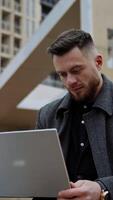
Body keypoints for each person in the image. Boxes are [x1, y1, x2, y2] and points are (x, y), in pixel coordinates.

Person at [35, 29, 113, 200]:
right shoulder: (47, 115)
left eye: (76, 70)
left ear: (98, 62)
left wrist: (102, 189)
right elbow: (41, 182)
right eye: (62, 74)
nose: (70, 81)